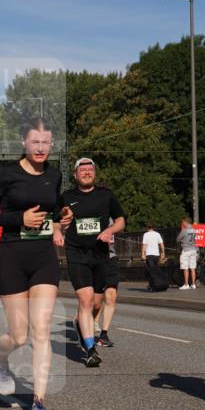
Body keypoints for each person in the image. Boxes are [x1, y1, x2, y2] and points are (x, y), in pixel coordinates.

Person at [0, 118, 73, 410]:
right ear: (24, 143)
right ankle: (0, 359)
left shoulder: (54, 175)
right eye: (35, 142)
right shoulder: (6, 174)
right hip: (12, 256)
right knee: (19, 335)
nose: (41, 148)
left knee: (41, 329)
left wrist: (63, 217)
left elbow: (55, 208)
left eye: (46, 142)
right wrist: (20, 219)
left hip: (44, 256)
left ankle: (39, 404)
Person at [58, 157, 125, 368]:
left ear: (94, 173)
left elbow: (121, 220)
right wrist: (58, 230)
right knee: (85, 300)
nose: (87, 173)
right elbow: (56, 219)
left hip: (100, 254)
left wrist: (110, 230)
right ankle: (90, 349)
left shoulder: (106, 195)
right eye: (83, 170)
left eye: (90, 169)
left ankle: (81, 323)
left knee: (97, 303)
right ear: (75, 174)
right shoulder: (66, 197)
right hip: (77, 252)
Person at [93, 235, 119, 347]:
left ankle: (103, 335)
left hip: (110, 257)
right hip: (90, 259)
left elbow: (120, 224)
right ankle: (88, 322)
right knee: (95, 301)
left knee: (111, 295)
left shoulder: (112, 218)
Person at [141, 222, 167, 292]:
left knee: (151, 272)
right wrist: (163, 253)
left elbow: (144, 245)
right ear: (154, 227)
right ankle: (158, 284)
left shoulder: (146, 234)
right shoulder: (157, 234)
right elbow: (161, 244)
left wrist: (143, 254)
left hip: (149, 255)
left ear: (147, 227)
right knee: (156, 270)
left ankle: (153, 286)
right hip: (156, 255)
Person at [177, 217, 199, 289]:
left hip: (186, 250)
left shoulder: (184, 230)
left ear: (186, 222)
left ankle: (186, 284)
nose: (182, 223)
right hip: (193, 249)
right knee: (192, 268)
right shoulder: (194, 230)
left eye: (183, 222)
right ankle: (193, 284)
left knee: (185, 268)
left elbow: (178, 239)